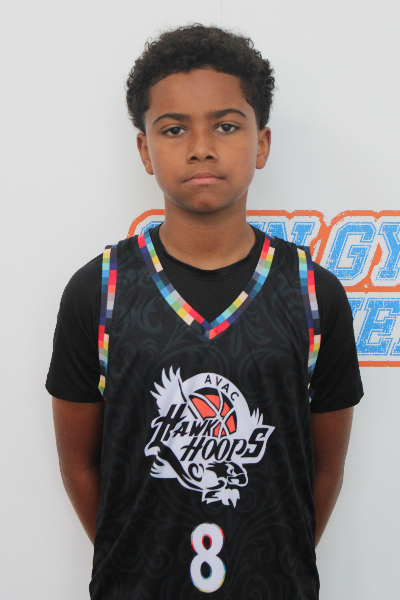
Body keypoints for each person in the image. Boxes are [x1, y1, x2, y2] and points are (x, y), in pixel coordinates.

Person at [47, 24, 363, 600]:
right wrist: (134, 560)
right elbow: (80, 467)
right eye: (174, 129)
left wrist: (278, 561)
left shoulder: (314, 294)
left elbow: (323, 471)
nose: (201, 146)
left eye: (226, 125)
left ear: (261, 144)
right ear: (145, 150)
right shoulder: (99, 291)